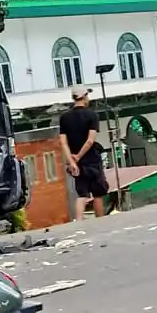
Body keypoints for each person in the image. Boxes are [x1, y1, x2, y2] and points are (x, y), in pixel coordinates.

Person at [59, 87, 108, 221]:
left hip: (77, 163)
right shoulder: (92, 115)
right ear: (85, 96)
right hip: (92, 159)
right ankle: (101, 221)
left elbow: (63, 142)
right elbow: (90, 141)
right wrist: (79, 156)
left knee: (82, 194)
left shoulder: (64, 117)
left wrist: (72, 161)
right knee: (98, 193)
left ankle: (79, 221)